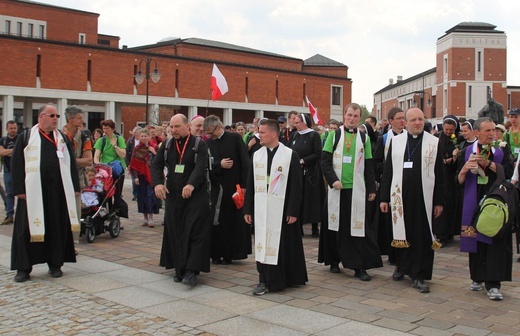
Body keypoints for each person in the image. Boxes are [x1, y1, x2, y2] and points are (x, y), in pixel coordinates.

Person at [11, 105, 80, 282]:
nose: (56, 118)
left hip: (57, 192)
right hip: (32, 192)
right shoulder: (26, 137)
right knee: (26, 229)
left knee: (56, 226)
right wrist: (19, 189)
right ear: (41, 117)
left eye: (57, 115)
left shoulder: (62, 139)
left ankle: (55, 264)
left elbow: (71, 163)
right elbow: (17, 164)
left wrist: (75, 187)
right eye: (52, 115)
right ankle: (24, 267)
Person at [380, 107, 445, 293]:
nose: (417, 123)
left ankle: (419, 274)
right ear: (405, 123)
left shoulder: (434, 142)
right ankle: (402, 266)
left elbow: (440, 174)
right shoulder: (397, 141)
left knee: (421, 236)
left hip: (425, 198)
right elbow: (388, 171)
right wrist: (384, 198)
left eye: (420, 119)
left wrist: (440, 201)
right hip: (400, 196)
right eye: (413, 120)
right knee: (402, 233)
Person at [244, 119, 307, 295]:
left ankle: (281, 278)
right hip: (261, 207)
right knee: (262, 243)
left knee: (281, 244)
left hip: (282, 208)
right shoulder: (257, 154)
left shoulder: (289, 155)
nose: (259, 135)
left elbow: (296, 186)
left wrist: (293, 211)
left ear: (273, 134)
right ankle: (263, 278)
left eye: (262, 132)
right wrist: (248, 209)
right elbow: (250, 183)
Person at [318, 103, 381, 281]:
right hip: (337, 189)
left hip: (357, 190)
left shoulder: (365, 138)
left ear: (359, 118)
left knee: (357, 228)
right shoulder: (333, 135)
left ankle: (358, 266)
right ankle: (333, 261)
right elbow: (325, 161)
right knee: (335, 225)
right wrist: (333, 180)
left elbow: (369, 165)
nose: (352, 118)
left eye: (355, 116)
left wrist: (371, 188)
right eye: (349, 115)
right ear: (344, 115)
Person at [457, 117, 513, 301]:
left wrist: (488, 164)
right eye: (487, 131)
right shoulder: (467, 151)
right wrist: (465, 169)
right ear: (476, 133)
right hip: (474, 199)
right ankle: (477, 277)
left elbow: (509, 172)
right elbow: (457, 181)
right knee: (476, 239)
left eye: (493, 130)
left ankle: (494, 283)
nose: (492, 134)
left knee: (494, 238)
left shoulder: (501, 149)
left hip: (495, 199)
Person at [151, 114, 211, 287]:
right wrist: (157, 184)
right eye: (172, 126)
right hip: (174, 196)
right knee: (175, 230)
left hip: (195, 196)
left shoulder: (199, 144)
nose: (173, 130)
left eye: (177, 126)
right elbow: (155, 165)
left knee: (194, 231)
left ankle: (192, 270)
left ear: (188, 126)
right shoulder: (168, 144)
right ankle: (179, 268)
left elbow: (201, 167)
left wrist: (191, 184)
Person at [203, 115, 251, 265]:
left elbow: (245, 162)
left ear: (218, 127)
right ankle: (216, 253)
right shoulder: (208, 142)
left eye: (211, 132)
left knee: (231, 222)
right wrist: (218, 164)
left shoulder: (235, 138)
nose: (210, 136)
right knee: (216, 222)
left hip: (233, 188)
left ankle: (230, 254)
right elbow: (205, 163)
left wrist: (244, 185)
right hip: (216, 189)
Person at [373, 107, 406, 265]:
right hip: (390, 182)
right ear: (391, 121)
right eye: (398, 118)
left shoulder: (409, 137)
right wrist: (389, 166)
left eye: (403, 118)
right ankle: (390, 250)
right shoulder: (384, 139)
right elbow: (376, 163)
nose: (402, 121)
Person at [63, 106, 93, 251]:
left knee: (75, 212)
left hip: (77, 180)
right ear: (70, 119)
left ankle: (73, 245)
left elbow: (89, 160)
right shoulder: (59, 135)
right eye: (79, 118)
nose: (82, 121)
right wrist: (77, 159)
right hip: (60, 180)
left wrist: (69, 159)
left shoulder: (83, 137)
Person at [289, 113, 323, 237]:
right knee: (299, 198)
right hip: (297, 172)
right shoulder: (294, 135)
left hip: (311, 172)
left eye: (297, 122)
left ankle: (315, 227)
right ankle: (299, 226)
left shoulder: (313, 135)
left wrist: (304, 161)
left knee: (312, 199)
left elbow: (318, 153)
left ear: (304, 123)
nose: (295, 124)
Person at [433, 115, 460, 247]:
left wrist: (454, 159)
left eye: (451, 130)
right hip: (439, 173)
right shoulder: (437, 138)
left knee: (450, 204)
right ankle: (441, 233)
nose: (448, 132)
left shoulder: (457, 140)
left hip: (450, 176)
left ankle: (449, 232)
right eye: (447, 129)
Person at [129, 128, 159, 228]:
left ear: (149, 137)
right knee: (142, 197)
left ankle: (151, 218)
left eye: (145, 136)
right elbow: (134, 165)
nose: (144, 138)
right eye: (142, 136)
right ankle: (145, 218)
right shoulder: (137, 149)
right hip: (141, 176)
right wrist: (135, 177)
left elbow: (160, 160)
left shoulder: (154, 147)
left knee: (151, 196)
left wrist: (154, 152)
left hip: (151, 176)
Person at [0, 120, 18, 225]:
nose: (13, 130)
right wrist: (13, 151)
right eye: (11, 128)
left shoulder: (21, 139)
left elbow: (22, 151)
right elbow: (1, 152)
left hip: (19, 170)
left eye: (15, 128)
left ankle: (21, 216)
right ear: (7, 129)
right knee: (9, 193)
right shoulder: (3, 140)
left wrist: (8, 152)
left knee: (21, 193)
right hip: (7, 169)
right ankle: (9, 215)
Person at [125, 126, 142, 201]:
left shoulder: (143, 141)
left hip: (141, 163)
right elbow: (126, 153)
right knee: (134, 179)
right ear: (134, 133)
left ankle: (140, 194)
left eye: (139, 133)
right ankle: (135, 194)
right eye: (137, 133)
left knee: (140, 179)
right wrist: (128, 164)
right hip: (132, 163)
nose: (138, 135)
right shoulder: (130, 141)